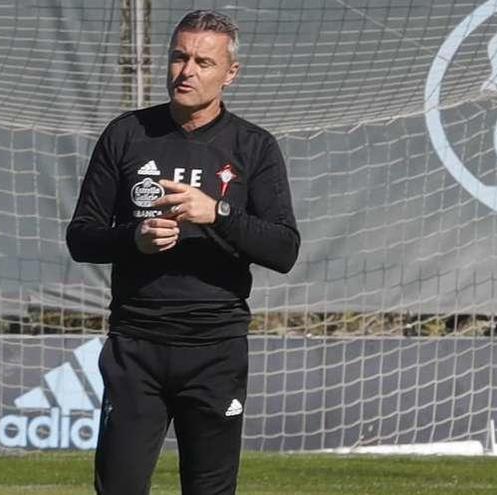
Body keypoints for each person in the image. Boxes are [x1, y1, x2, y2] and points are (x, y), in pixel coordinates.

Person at [66, 10, 300, 495]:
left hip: (216, 349)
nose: (186, 71)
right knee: (119, 487)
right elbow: (82, 236)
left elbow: (283, 248)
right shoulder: (126, 134)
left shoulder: (254, 146)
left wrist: (216, 213)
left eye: (202, 61)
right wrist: (134, 237)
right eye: (178, 57)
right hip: (136, 346)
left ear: (229, 73)